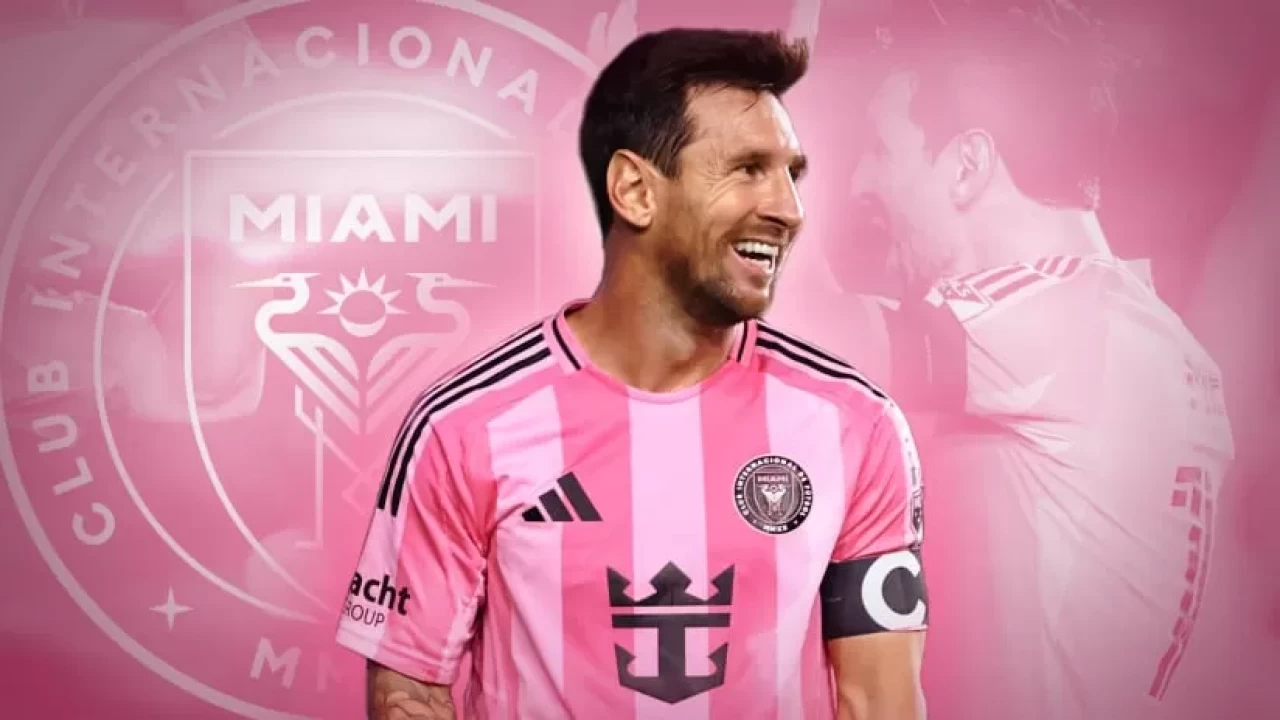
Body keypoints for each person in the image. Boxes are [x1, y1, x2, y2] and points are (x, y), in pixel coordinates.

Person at [335, 28, 928, 720]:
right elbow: (408, 694)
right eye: (747, 169)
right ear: (635, 190)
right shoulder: (462, 427)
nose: (787, 209)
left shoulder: (855, 425)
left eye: (789, 174)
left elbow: (880, 702)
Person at [820, 4, 1235, 719]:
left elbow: (812, 336)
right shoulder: (1139, 330)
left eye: (883, 150)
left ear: (967, 166)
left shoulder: (1067, 317)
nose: (862, 181)